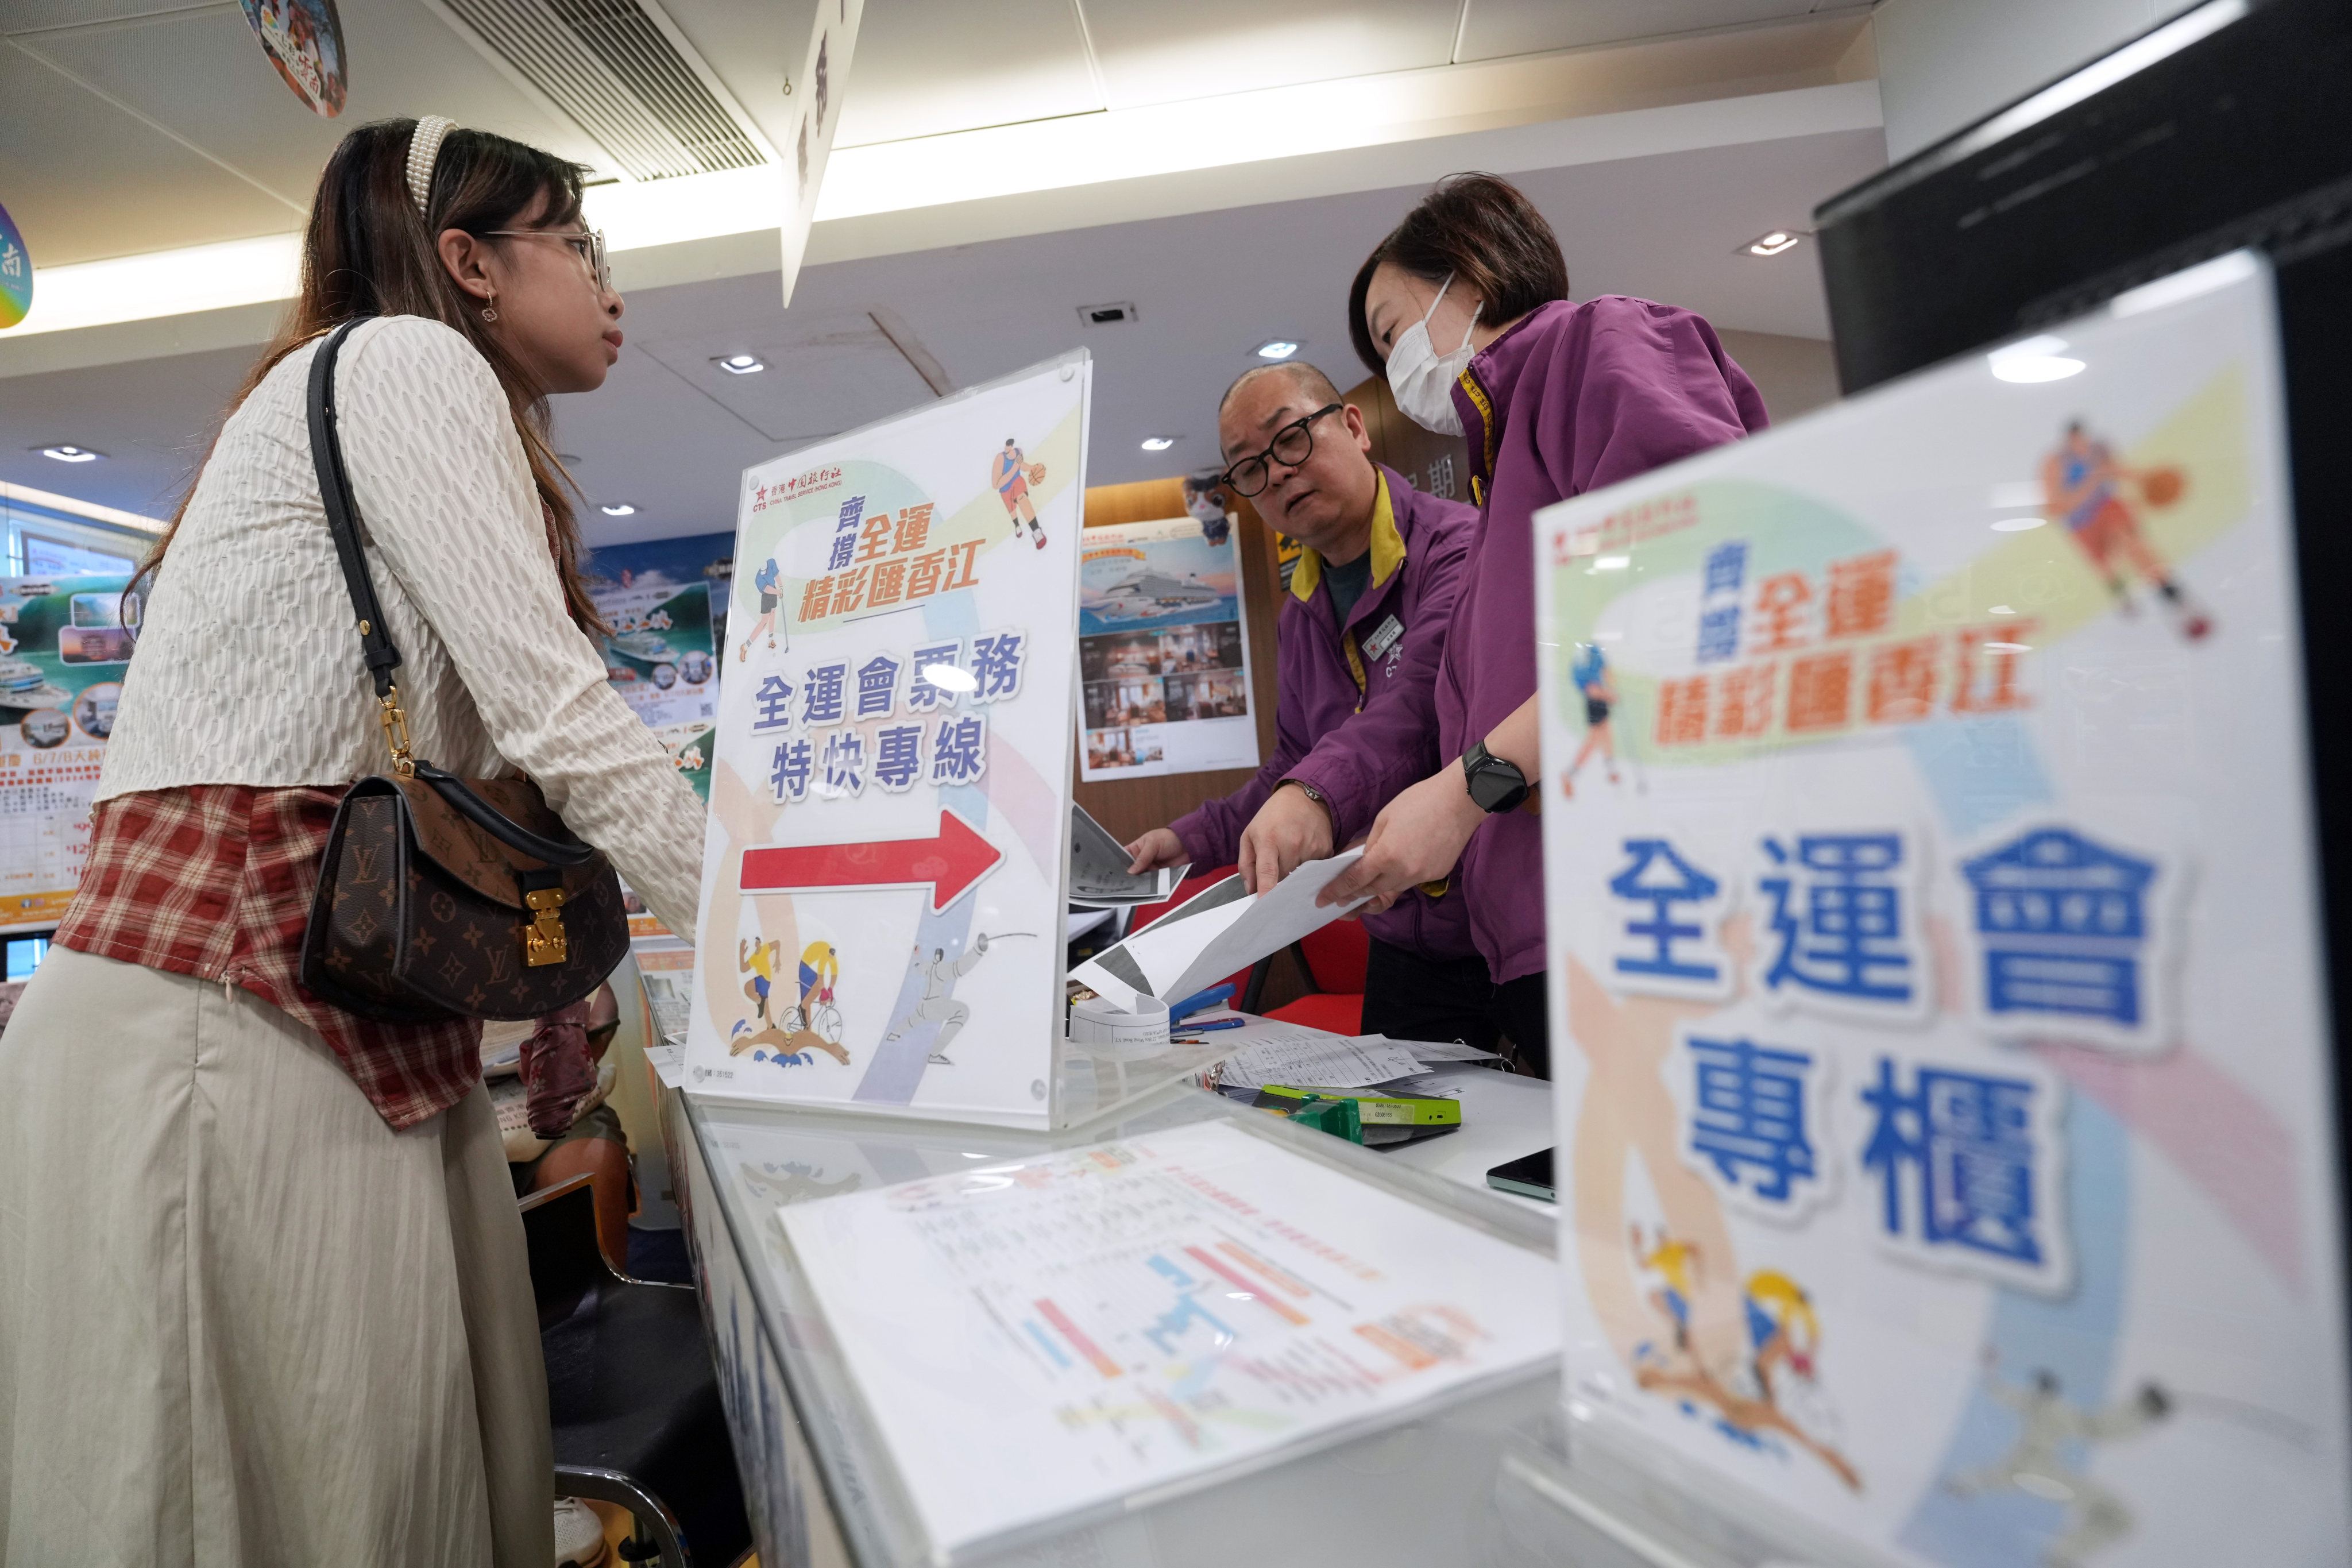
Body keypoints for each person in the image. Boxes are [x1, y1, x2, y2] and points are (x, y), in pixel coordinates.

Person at [0, 117, 705, 1566]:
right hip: (235, 1022)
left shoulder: (378, 384)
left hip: (319, 1015)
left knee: (362, 1487)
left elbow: (524, 749)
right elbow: (559, 712)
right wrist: (793, 937)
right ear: (469, 263)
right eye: (575, 243)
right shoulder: (405, 358)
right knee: (299, 1497)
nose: (607, 284)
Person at [1320, 173, 1768, 1077]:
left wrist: (1463, 792)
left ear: (1469, 275)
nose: (1393, 366)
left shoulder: (1598, 343)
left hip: (1651, 911)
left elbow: (1691, 593)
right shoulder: (1494, 496)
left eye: (1391, 330)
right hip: (1551, 935)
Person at [1122, 361, 1504, 1046]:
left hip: (1504, 914)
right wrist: (1188, 838)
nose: (1277, 474)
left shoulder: (1460, 546)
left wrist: (1315, 796)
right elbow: (1292, 763)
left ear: (1354, 427)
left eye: (1290, 438)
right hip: (1406, 940)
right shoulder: (1301, 610)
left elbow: (1422, 704)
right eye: (1250, 468)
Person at [992, 438, 1046, 549]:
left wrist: (1032, 468)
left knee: (1022, 498)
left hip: (1017, 481)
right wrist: (1014, 469)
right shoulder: (1000, 458)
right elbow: (996, 485)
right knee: (1013, 512)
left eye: (1010, 446)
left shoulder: (1019, 452)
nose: (1008, 448)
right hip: (1005, 490)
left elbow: (1021, 465)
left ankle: (1037, 531)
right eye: (1007, 446)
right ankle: (1017, 525)